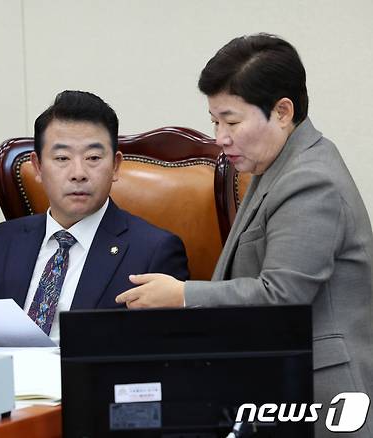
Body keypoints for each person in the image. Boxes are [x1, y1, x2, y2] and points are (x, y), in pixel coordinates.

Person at [115, 34, 373, 435]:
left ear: (283, 111)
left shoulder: (310, 179)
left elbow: (281, 296)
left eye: (231, 121)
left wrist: (182, 295)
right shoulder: (276, 162)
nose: (220, 137)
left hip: (323, 399)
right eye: (215, 122)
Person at [0, 90, 188, 349]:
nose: (78, 173)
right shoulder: (2, 240)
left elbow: (162, 353)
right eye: (62, 158)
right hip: (4, 383)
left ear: (116, 166)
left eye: (93, 158)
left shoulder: (153, 251)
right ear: (38, 167)